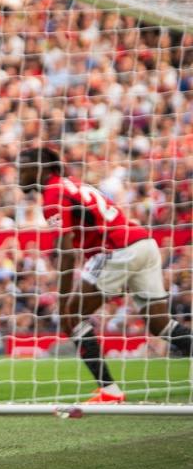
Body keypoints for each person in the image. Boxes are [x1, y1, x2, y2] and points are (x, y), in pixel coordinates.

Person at [18, 147, 193, 403]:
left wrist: (64, 298)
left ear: (41, 169)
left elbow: (66, 251)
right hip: (143, 244)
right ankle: (109, 391)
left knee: (71, 318)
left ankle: (109, 391)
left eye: (24, 168)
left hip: (116, 250)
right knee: (160, 325)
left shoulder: (53, 193)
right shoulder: (71, 185)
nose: (19, 175)